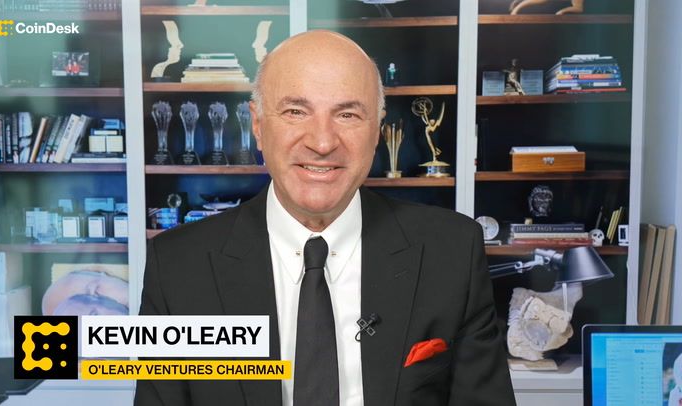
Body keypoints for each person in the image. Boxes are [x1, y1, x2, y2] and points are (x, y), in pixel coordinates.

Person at [134, 30, 515, 406]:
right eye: (296, 112)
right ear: (257, 125)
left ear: (377, 129)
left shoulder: (452, 252)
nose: (322, 142)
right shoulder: (178, 265)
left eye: (347, 114)